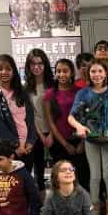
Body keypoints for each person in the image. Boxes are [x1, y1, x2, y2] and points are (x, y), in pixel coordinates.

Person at [68, 59, 108, 215]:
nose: (96, 75)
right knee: (95, 174)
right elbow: (71, 116)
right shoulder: (83, 93)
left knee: (107, 173)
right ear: (88, 74)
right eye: (93, 71)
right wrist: (79, 127)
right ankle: (95, 207)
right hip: (91, 140)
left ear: (106, 73)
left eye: (100, 71)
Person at [43, 59, 89, 190]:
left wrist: (82, 143)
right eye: (58, 71)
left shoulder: (80, 91)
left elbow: (87, 118)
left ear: (72, 73)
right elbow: (50, 121)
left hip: (79, 139)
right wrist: (65, 144)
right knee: (63, 179)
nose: (62, 74)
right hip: (60, 143)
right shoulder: (50, 94)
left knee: (83, 177)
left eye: (65, 71)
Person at [0, 54, 36, 172]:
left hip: (27, 147)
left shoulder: (22, 92)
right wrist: (16, 147)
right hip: (9, 150)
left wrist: (30, 141)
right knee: (12, 186)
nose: (4, 72)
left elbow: (30, 119)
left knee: (26, 182)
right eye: (0, 69)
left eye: (8, 68)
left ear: (14, 71)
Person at [24, 49, 54, 202]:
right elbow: (29, 116)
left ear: (45, 65)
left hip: (55, 132)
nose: (37, 67)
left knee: (58, 167)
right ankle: (39, 200)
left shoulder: (52, 85)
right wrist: (40, 135)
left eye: (40, 63)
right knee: (38, 168)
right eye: (33, 64)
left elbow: (56, 113)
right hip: (35, 133)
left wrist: (51, 134)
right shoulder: (25, 88)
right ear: (28, 66)